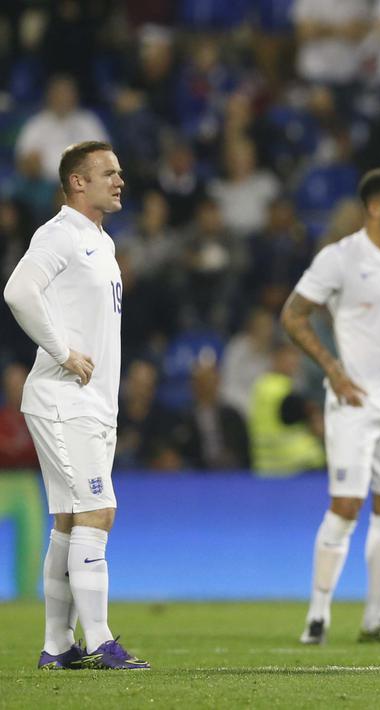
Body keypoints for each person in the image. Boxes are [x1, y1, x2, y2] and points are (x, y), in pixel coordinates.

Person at [281, 168, 380, 645]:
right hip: (354, 402)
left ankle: (375, 618)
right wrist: (332, 369)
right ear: (374, 208)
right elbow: (293, 314)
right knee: (347, 505)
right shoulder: (341, 258)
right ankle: (317, 617)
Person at [3, 140, 149, 669]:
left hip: (90, 403)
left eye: (120, 172)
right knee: (97, 510)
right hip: (63, 399)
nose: (119, 181)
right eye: (108, 173)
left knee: (70, 520)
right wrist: (63, 352)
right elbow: (19, 291)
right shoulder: (59, 234)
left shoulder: (101, 243)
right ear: (76, 182)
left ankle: (57, 646)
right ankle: (102, 639)